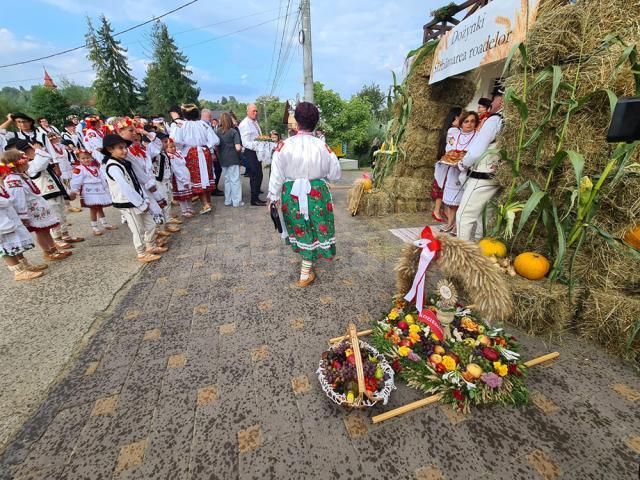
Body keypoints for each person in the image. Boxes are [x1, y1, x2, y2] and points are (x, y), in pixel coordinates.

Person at [268, 102, 342, 287]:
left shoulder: (283, 146)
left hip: (291, 194)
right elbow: (335, 175)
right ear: (315, 122)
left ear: (296, 122)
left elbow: (276, 175)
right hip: (317, 192)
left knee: (301, 226)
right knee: (316, 226)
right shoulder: (323, 147)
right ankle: (305, 272)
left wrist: (273, 198)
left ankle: (305, 271)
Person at [102, 134, 166, 263]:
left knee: (150, 223)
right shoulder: (113, 166)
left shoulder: (124, 162)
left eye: (125, 147)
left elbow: (134, 181)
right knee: (138, 229)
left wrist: (143, 199)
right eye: (121, 148)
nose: (125, 150)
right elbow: (125, 187)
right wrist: (140, 203)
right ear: (110, 150)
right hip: (127, 202)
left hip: (139, 200)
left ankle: (151, 245)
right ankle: (141, 252)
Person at [2, 150, 70, 261]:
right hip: (31, 210)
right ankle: (47, 252)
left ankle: (54, 250)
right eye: (26, 161)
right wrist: (23, 216)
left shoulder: (21, 175)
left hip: (38, 209)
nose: (28, 163)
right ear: (19, 163)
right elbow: (19, 199)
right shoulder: (13, 180)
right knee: (40, 232)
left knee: (45, 230)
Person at [456, 92, 504, 241]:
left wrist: (463, 163)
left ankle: (462, 256)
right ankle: (480, 250)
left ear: (501, 100)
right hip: (498, 176)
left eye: (496, 97)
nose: (493, 101)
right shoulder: (513, 120)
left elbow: (476, 152)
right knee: (485, 216)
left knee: (464, 216)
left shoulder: (495, 120)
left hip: (482, 176)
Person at [22, 139, 84, 249]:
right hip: (46, 195)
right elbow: (41, 162)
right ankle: (57, 239)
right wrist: (38, 151)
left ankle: (65, 235)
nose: (38, 152)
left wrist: (67, 192)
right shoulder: (31, 166)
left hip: (56, 192)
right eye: (33, 151)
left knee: (62, 215)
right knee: (55, 217)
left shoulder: (44, 164)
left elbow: (56, 179)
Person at [0, 159, 47, 280]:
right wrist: (9, 201)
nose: (4, 175)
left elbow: (8, 197)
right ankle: (18, 271)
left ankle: (24, 265)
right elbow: (5, 200)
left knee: (15, 242)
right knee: (6, 247)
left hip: (7, 216)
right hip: (2, 221)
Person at [170, 104, 219, 214]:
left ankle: (205, 204)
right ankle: (208, 202)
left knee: (197, 178)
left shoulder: (181, 125)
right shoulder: (203, 124)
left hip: (192, 153)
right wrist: (207, 147)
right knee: (206, 176)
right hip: (205, 152)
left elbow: (175, 140)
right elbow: (215, 139)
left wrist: (185, 146)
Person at [438, 111, 479, 235]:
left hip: (466, 172)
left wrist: (463, 161)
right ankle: (450, 222)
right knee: (451, 201)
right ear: (461, 123)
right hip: (452, 170)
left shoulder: (477, 136)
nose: (469, 124)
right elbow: (449, 149)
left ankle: (457, 225)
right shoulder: (455, 134)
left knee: (461, 201)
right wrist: (454, 158)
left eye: (472, 121)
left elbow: (475, 153)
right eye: (466, 121)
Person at [70, 149, 116, 236]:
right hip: (89, 192)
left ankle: (105, 223)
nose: (86, 160)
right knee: (93, 209)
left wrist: (106, 188)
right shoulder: (79, 169)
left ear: (91, 158)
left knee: (100, 207)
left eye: (87, 158)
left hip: (98, 189)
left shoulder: (95, 168)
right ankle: (94, 227)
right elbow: (76, 181)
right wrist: (74, 190)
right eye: (83, 158)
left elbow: (102, 178)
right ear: (79, 159)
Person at [432, 107, 462, 223]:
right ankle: (436, 211)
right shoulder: (453, 131)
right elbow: (451, 147)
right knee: (442, 187)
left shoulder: (451, 130)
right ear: (456, 117)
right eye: (462, 117)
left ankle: (443, 210)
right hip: (448, 163)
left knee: (444, 187)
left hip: (448, 163)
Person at [151, 133, 181, 234]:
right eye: (164, 142)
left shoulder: (164, 153)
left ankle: (168, 222)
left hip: (166, 180)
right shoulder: (155, 153)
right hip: (159, 181)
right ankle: (162, 226)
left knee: (167, 201)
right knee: (162, 203)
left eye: (166, 141)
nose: (165, 144)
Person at [239, 104, 266, 206]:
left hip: (256, 151)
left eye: (256, 111)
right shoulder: (245, 124)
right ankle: (254, 199)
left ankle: (256, 195)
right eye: (253, 111)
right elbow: (245, 142)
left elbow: (257, 136)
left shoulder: (254, 122)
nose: (255, 113)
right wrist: (257, 146)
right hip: (250, 151)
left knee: (259, 174)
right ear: (248, 111)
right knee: (255, 175)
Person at [216, 112, 243, 207]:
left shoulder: (217, 132)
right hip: (233, 158)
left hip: (223, 159)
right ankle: (236, 201)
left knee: (227, 180)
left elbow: (216, 145)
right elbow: (238, 147)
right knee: (235, 180)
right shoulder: (233, 131)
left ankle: (228, 200)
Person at [166, 138, 194, 218]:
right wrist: (183, 180)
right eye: (171, 147)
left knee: (188, 192)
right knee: (182, 194)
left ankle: (189, 208)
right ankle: (184, 210)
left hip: (185, 173)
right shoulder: (171, 157)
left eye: (174, 146)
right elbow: (176, 169)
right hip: (179, 177)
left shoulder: (178, 153)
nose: (173, 148)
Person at [201, 109, 224, 198]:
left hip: (210, 150)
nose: (211, 118)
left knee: (216, 169)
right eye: (210, 116)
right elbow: (209, 141)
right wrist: (212, 153)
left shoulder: (206, 124)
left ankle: (214, 187)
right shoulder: (205, 125)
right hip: (209, 150)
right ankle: (213, 189)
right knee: (216, 169)